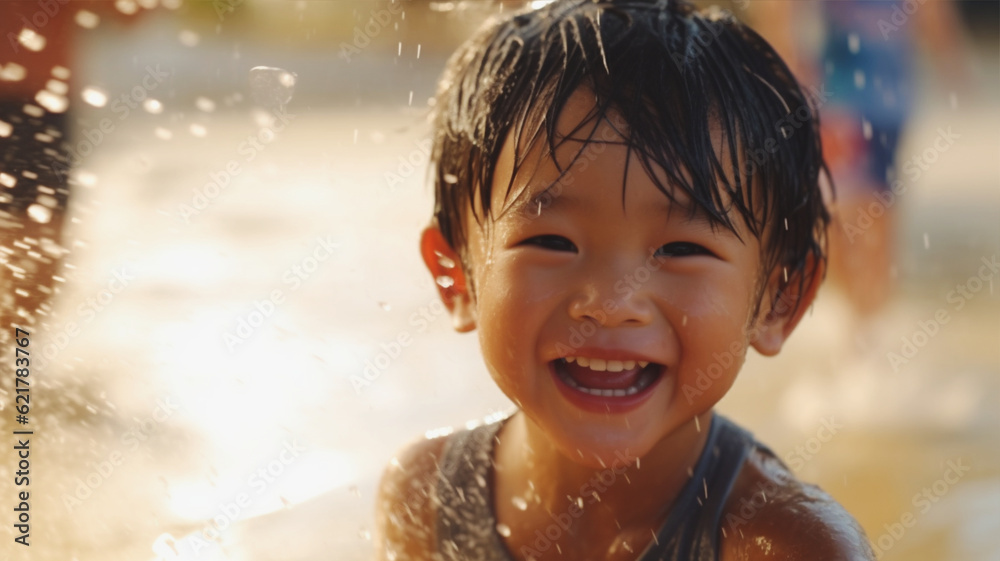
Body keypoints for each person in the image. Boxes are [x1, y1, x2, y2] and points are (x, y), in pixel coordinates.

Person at [374, 1, 874, 559]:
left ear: (780, 299)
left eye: (682, 248)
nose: (610, 304)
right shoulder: (430, 499)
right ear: (456, 275)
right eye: (552, 242)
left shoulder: (783, 547)